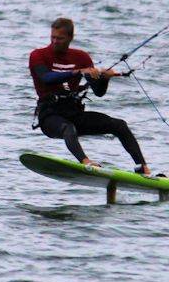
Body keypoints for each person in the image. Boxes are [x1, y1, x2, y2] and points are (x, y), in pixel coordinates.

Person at [29, 17, 151, 175]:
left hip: (74, 113)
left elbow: (99, 92)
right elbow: (47, 77)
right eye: (53, 37)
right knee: (68, 128)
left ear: (70, 38)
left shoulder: (81, 57)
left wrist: (105, 79)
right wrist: (77, 72)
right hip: (50, 116)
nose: (54, 41)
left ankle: (143, 168)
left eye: (60, 38)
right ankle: (86, 162)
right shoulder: (38, 55)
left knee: (119, 125)